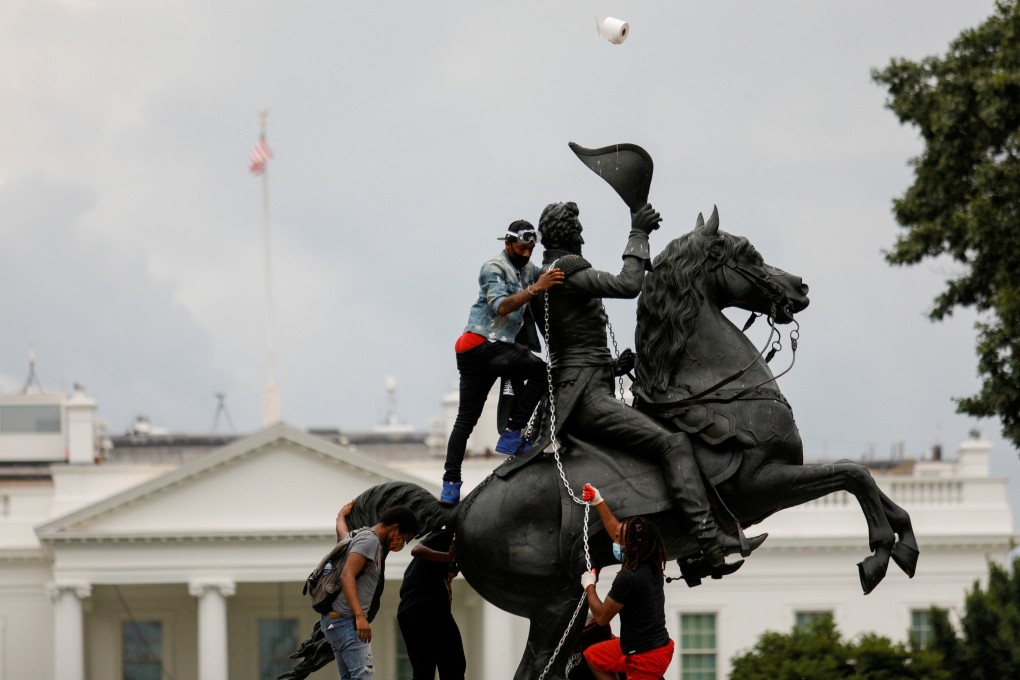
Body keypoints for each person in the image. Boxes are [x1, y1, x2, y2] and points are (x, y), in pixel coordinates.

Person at [531, 201, 764, 566]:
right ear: (571, 234)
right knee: (672, 444)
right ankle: (707, 536)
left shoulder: (549, 275)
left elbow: (571, 347)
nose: (582, 234)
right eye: (578, 229)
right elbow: (627, 284)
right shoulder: (566, 273)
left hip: (588, 384)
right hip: (586, 399)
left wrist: (610, 367)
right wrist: (638, 232)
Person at [440, 219, 565, 505]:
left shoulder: (528, 269)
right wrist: (537, 288)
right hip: (481, 344)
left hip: (490, 349)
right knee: (542, 372)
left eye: (531, 248)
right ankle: (511, 434)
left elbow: (548, 273)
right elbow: (501, 306)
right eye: (521, 247)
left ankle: (450, 487)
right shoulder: (493, 267)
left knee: (465, 420)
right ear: (508, 243)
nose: (526, 253)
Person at [580, 482, 674, 680]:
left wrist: (589, 586)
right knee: (593, 656)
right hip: (656, 646)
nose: (615, 544)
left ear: (631, 546)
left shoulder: (628, 577)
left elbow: (602, 618)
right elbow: (618, 530)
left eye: (619, 542)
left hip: (645, 658)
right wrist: (599, 502)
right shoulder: (651, 562)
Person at [323, 501, 420, 680]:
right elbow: (347, 575)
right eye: (404, 538)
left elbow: (343, 535)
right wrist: (360, 616)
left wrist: (340, 518)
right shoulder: (370, 541)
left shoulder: (359, 535)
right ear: (395, 527)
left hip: (336, 622)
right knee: (362, 676)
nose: (403, 544)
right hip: (347, 621)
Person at [396, 530, 465, 680]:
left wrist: (449, 572)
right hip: (428, 605)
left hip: (407, 610)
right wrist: (447, 557)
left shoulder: (430, 568)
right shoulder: (447, 535)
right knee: (454, 665)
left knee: (423, 671)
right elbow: (416, 550)